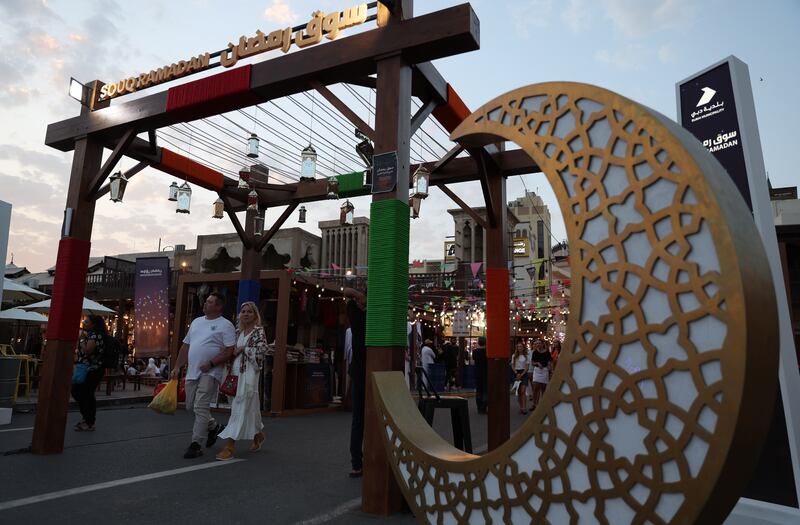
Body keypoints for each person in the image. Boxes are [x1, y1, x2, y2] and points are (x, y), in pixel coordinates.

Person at [171, 292, 236, 459]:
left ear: (219, 306)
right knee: (190, 406)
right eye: (206, 301)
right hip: (192, 371)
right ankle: (213, 426)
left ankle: (196, 444)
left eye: (210, 302)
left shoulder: (225, 325)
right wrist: (177, 366)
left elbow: (229, 350)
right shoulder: (196, 322)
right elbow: (186, 346)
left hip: (211, 371)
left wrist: (212, 363)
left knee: (200, 406)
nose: (205, 304)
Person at [215, 301, 268, 460]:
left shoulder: (259, 331)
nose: (246, 314)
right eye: (243, 311)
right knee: (247, 406)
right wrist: (232, 353)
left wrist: (243, 349)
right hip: (234, 373)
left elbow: (262, 351)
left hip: (249, 373)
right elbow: (228, 351)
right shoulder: (237, 332)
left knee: (241, 406)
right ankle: (258, 434)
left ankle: (230, 446)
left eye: (249, 312)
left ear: (255, 315)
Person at [344, 287, 367, 478]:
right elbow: (348, 291)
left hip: (358, 370)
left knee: (358, 419)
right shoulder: (376, 315)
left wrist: (358, 297)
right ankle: (369, 459)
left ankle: (356, 463)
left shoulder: (354, 312)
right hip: (372, 370)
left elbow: (347, 291)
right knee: (371, 418)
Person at [71, 315, 108, 431]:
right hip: (92, 368)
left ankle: (89, 420)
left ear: (94, 324)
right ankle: (87, 419)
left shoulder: (95, 335)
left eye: (87, 321)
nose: (84, 323)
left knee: (81, 392)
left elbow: (87, 350)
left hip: (92, 369)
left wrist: (81, 340)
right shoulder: (97, 335)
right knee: (85, 393)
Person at [530, 339, 552, 409]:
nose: (538, 345)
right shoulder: (535, 352)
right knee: (535, 388)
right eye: (537, 344)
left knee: (543, 388)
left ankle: (543, 404)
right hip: (537, 371)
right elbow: (532, 362)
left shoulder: (547, 352)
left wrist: (550, 370)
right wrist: (537, 363)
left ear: (542, 344)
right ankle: (534, 404)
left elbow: (549, 362)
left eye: (539, 343)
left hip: (544, 370)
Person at [512, 342, 529, 414]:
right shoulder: (514, 356)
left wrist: (521, 374)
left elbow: (527, 367)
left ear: (523, 347)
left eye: (521, 347)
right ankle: (521, 407)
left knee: (523, 391)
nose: (519, 348)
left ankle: (524, 407)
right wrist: (516, 373)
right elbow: (512, 366)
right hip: (516, 372)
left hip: (523, 373)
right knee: (519, 392)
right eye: (518, 347)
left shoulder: (526, 356)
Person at [473, 336, 488, 414]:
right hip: (486, 373)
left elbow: (474, 359)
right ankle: (483, 407)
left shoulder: (475, 351)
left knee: (479, 391)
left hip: (477, 373)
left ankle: (479, 407)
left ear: (478, 342)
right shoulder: (487, 352)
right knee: (485, 390)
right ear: (485, 342)